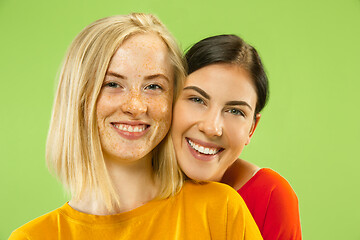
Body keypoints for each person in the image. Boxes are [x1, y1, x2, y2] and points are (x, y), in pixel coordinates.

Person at [9, 14, 262, 239]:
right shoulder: (34, 237)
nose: (136, 106)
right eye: (113, 84)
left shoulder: (221, 210)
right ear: (79, 96)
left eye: (154, 87)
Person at [171, 34, 302, 240]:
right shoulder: (130, 182)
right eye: (197, 99)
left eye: (235, 111)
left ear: (252, 128)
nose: (212, 128)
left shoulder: (271, 197)